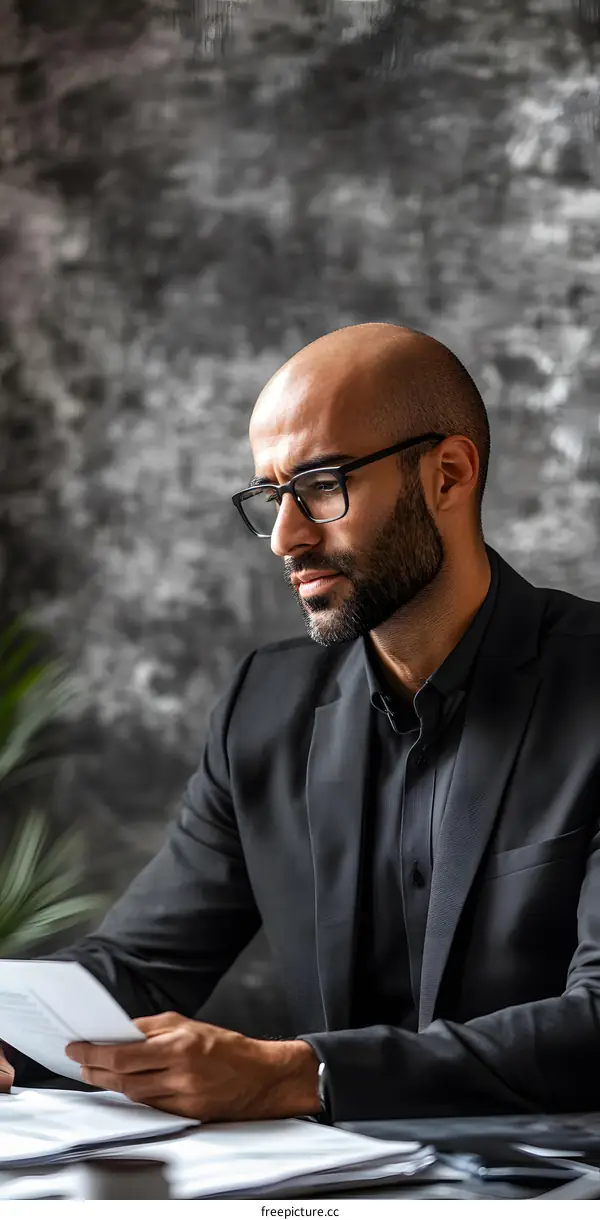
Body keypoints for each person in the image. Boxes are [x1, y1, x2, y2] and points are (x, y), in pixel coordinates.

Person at [2, 321, 600, 1123]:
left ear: (449, 475)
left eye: (322, 484)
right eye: (270, 495)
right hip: (334, 1190)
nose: (286, 537)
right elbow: (138, 967)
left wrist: (300, 1073)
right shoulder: (266, 704)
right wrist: (15, 1036)